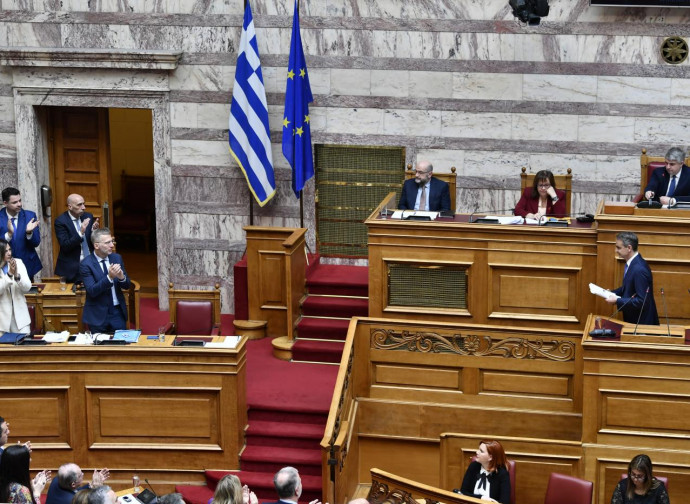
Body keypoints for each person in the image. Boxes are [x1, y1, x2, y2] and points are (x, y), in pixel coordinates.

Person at [80, 228, 130, 333]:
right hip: (97, 315)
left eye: (112, 241)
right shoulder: (86, 264)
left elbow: (126, 286)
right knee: (99, 348)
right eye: (108, 242)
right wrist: (109, 277)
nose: (112, 245)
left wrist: (121, 277)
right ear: (96, 246)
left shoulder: (116, 258)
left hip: (117, 312)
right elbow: (92, 291)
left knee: (121, 346)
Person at [606, 232, 659, 325]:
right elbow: (628, 287)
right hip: (633, 321)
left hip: (642, 325)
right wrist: (612, 292)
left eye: (618, 248)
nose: (616, 250)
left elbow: (642, 301)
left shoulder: (639, 269)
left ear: (629, 248)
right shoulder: (632, 264)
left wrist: (617, 300)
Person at [54, 194, 99, 283]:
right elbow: (65, 245)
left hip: (91, 263)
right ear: (70, 207)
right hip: (72, 267)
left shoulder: (88, 216)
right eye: (79, 204)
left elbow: (93, 241)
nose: (83, 207)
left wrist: (94, 231)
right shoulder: (61, 221)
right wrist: (80, 232)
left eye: (83, 204)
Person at [0, 188, 42, 281]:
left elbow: (36, 243)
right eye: (14, 202)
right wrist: (9, 235)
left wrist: (29, 232)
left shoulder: (30, 216)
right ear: (5, 203)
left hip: (27, 264)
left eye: (20, 200)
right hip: (3, 267)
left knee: (29, 294)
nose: (19, 204)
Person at [458, 440, 511, 504]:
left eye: (481, 451)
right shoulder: (473, 466)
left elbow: (504, 502)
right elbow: (463, 492)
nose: (477, 452)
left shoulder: (502, 474)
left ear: (490, 457)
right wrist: (482, 498)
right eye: (478, 449)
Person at [0, 239, 32, 334]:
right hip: (2, 321)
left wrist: (17, 276)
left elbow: (27, 287)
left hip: (20, 318)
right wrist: (9, 274)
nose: (9, 253)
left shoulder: (18, 263)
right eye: (5, 251)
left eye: (10, 250)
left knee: (24, 347)